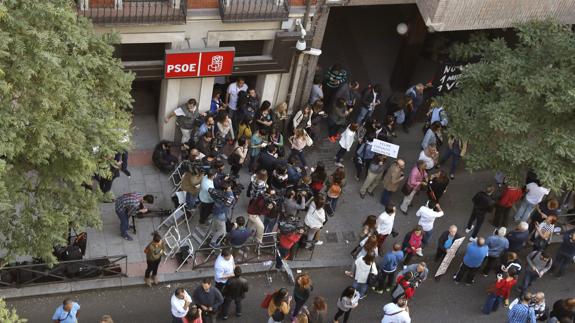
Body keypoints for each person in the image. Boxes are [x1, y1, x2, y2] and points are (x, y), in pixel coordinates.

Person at [209, 183, 235, 248]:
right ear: (225, 190)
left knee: (214, 224)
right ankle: (213, 242)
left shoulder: (218, 194)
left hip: (215, 211)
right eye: (229, 188)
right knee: (222, 231)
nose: (230, 189)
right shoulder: (230, 197)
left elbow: (210, 191)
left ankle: (212, 234)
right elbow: (231, 203)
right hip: (221, 214)